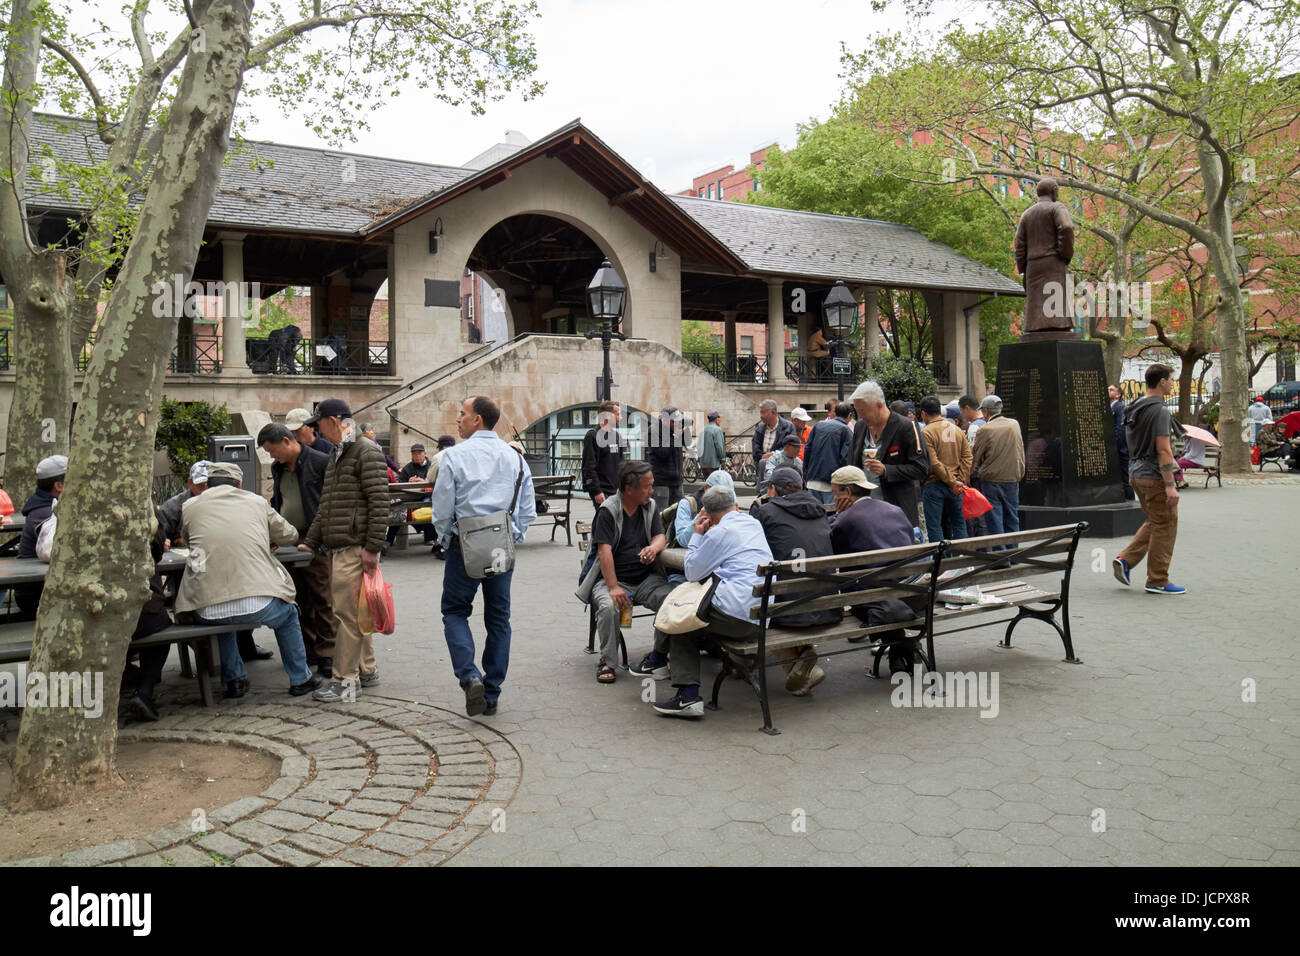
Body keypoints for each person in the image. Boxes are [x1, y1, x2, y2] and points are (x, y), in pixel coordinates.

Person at [176, 462, 321, 699]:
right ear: (240, 485)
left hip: (207, 608)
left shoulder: (190, 506)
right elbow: (290, 535)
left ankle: (234, 680)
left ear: (207, 485)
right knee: (288, 614)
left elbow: (191, 541)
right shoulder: (257, 502)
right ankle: (300, 678)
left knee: (218, 612)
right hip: (259, 604)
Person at [433, 395, 536, 717]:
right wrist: (513, 534)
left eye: (462, 414)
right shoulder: (515, 458)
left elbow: (442, 507)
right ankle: (491, 694)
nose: (458, 420)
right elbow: (527, 509)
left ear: (477, 419)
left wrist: (444, 536)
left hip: (464, 543)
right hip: (499, 544)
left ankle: (469, 675)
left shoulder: (453, 456)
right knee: (498, 618)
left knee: (454, 611)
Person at [652, 484, 773, 719]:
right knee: (697, 610)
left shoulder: (718, 532)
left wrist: (698, 534)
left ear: (705, 512)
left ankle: (687, 697)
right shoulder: (753, 524)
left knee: (682, 619)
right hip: (761, 616)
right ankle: (656, 659)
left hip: (738, 620)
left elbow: (692, 572)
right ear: (736, 505)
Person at [299, 398, 390, 702]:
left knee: (346, 615)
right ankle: (366, 669)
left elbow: (380, 502)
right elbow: (327, 507)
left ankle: (345, 680)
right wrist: (310, 541)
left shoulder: (361, 451)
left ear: (333, 422)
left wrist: (372, 547)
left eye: (319, 424)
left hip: (352, 547)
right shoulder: (343, 452)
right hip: (348, 545)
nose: (317, 431)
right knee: (357, 612)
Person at [575, 461, 672, 684]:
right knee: (609, 606)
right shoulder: (609, 510)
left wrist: (653, 548)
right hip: (611, 579)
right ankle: (608, 661)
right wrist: (613, 587)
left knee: (672, 600)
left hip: (646, 579)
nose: (652, 491)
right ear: (629, 489)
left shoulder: (650, 506)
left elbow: (660, 536)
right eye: (647, 486)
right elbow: (604, 551)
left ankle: (659, 655)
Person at [828, 466, 924, 673]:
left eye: (835, 493)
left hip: (877, 597)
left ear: (848, 493)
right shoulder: (894, 509)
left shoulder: (846, 519)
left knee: (869, 596)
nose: (834, 498)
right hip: (914, 592)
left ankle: (900, 648)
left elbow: (831, 552)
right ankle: (905, 648)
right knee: (882, 594)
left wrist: (838, 515)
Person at [258, 422, 335, 678]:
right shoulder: (279, 467)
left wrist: (318, 538)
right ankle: (310, 649)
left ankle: (328, 654)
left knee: (322, 596)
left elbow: (328, 503)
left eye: (272, 450)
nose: (271, 457)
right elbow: (279, 501)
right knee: (298, 596)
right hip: (290, 538)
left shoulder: (320, 461)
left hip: (316, 538)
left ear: (287, 440)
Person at [753, 466, 838, 694]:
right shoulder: (819, 509)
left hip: (790, 610)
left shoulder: (766, 513)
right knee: (795, 591)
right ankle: (803, 657)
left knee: (761, 608)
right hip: (828, 607)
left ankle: (796, 666)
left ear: (773, 490)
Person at [1114, 363, 1185, 595]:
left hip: (1136, 473)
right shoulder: (1160, 411)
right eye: (1172, 379)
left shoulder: (1134, 407)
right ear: (1162, 381)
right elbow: (1164, 450)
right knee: (1165, 525)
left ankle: (1125, 560)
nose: (1174, 383)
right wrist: (1170, 485)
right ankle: (1158, 579)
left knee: (1155, 520)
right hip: (1154, 475)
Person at [848, 380, 931, 529]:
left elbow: (922, 468)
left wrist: (886, 470)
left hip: (896, 513)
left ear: (879, 405)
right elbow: (852, 463)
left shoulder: (905, 427)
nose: (860, 416)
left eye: (863, 411)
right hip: (865, 512)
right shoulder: (860, 427)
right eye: (857, 411)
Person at [13, 455, 69, 617]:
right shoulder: (45, 513)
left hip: (49, 587)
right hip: (35, 595)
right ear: (59, 485)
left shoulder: (46, 506)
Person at [970, 394, 1026, 536]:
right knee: (1012, 518)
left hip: (992, 480)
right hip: (1013, 478)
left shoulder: (985, 429)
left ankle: (1001, 556)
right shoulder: (1014, 424)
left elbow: (975, 456)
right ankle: (1013, 553)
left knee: (995, 521)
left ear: (986, 412)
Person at [919, 395, 971, 542]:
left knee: (935, 527)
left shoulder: (926, 432)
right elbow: (968, 457)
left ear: (923, 414)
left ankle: (941, 561)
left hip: (935, 484)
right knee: (959, 524)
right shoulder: (957, 430)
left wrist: (952, 482)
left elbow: (934, 463)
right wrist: (959, 480)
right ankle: (963, 560)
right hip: (957, 486)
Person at [804, 401, 853, 504]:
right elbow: (845, 458)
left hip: (812, 480)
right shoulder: (846, 430)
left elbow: (807, 449)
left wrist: (806, 474)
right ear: (849, 415)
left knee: (814, 516)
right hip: (831, 483)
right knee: (831, 516)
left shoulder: (818, 425)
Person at [673, 469, 736, 548]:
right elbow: (682, 540)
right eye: (720, 496)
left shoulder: (729, 505)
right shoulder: (687, 504)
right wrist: (699, 517)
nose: (723, 502)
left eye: (727, 497)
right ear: (706, 488)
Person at [581, 400, 624, 505]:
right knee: (607, 520)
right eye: (618, 414)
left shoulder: (618, 436)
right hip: (602, 491)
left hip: (617, 491)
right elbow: (588, 467)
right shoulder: (592, 436)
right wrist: (597, 491)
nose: (621, 418)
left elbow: (622, 465)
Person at [159, 460, 210, 545]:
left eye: (209, 485)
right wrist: (163, 542)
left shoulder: (225, 505)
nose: (205, 490)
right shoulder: (172, 507)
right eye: (200, 485)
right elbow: (160, 536)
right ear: (190, 483)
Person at [646, 406, 685, 512]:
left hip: (677, 482)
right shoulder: (653, 431)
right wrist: (676, 437)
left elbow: (685, 443)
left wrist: (682, 434)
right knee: (662, 516)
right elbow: (663, 453)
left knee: (678, 515)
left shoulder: (674, 429)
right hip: (662, 484)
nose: (677, 423)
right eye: (674, 421)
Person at [751, 399, 796, 470]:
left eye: (763, 412)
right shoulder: (759, 427)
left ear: (773, 413)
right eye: (760, 412)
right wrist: (762, 457)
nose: (761, 416)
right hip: (762, 469)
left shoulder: (788, 427)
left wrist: (773, 455)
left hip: (781, 470)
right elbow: (755, 447)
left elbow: (791, 448)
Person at [1109, 384, 1133, 500]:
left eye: (1111, 390)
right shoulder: (1110, 407)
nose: (1108, 391)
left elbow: (1120, 429)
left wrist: (1117, 447)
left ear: (1118, 395)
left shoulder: (1119, 407)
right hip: (1114, 449)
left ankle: (1130, 500)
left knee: (1124, 479)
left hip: (1120, 449)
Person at [698, 410, 727, 479]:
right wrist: (723, 460)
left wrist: (700, 460)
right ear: (717, 419)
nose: (720, 420)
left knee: (708, 485)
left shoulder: (702, 430)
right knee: (714, 486)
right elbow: (719, 447)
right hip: (713, 464)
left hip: (703, 463)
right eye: (719, 418)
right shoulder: (717, 430)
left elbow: (699, 447)